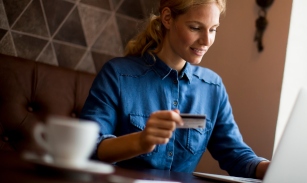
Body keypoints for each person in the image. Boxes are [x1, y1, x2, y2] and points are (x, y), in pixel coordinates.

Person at [80, 0, 270, 179]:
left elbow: (236, 155)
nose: (206, 40)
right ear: (167, 18)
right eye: (195, 28)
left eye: (213, 30)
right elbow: (88, 147)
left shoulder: (213, 87)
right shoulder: (118, 75)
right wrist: (140, 141)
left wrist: (269, 169)